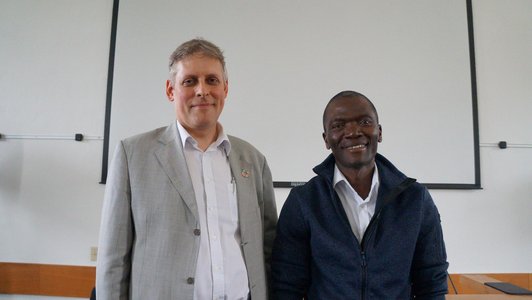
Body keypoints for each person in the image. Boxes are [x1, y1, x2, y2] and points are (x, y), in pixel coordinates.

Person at [96, 38, 277, 300]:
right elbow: (113, 257)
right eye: (189, 81)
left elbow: (268, 248)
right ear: (171, 90)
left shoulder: (253, 160)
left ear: (225, 89)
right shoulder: (133, 154)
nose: (202, 90)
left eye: (212, 80)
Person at [271, 90, 448, 299]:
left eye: (364, 121)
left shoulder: (416, 200)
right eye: (338, 126)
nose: (353, 131)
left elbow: (431, 283)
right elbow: (286, 286)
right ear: (326, 139)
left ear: (379, 132)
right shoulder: (303, 202)